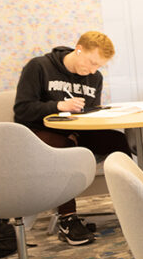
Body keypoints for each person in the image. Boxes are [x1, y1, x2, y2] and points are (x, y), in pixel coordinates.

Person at [13, 31, 132, 245]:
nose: (93, 70)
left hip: (75, 133)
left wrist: (78, 130)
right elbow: (22, 110)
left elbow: (89, 113)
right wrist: (58, 106)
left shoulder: (95, 77)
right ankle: (68, 219)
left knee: (118, 141)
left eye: (99, 66)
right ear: (79, 49)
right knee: (64, 148)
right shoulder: (39, 67)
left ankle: (132, 205)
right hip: (38, 134)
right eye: (91, 62)